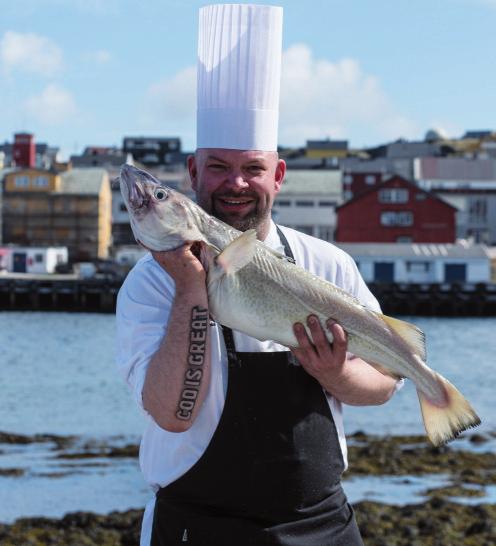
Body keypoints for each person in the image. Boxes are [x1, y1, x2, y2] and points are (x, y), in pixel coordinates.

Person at [116, 5, 401, 545]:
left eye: (252, 168)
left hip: (323, 525)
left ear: (278, 175)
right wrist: (190, 288)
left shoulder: (326, 264)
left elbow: (383, 385)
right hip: (194, 527)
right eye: (219, 167)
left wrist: (337, 374)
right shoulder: (150, 283)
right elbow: (173, 415)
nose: (236, 184)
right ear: (194, 173)